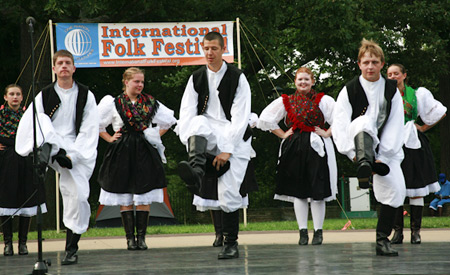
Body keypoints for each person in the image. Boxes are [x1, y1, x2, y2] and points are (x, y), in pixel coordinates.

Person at [15, 50, 99, 265]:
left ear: (73, 68)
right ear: (54, 69)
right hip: (52, 144)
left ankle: (71, 248)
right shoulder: (43, 94)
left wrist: (73, 155)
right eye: (60, 63)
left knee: (78, 195)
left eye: (67, 63)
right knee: (40, 118)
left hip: (76, 148)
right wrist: (50, 148)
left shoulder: (86, 94)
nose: (63, 66)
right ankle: (44, 155)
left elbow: (89, 129)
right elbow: (32, 123)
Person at [176, 31, 253, 259]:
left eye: (214, 49)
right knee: (198, 121)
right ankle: (197, 172)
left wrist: (227, 149)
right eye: (206, 48)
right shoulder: (196, 77)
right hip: (207, 132)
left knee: (228, 191)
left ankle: (231, 243)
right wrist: (188, 139)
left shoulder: (238, 77)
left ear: (223, 49)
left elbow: (240, 117)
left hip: (233, 135)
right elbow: (187, 114)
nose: (210, 53)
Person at [332, 39, 405, 256]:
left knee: (397, 191)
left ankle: (382, 240)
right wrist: (353, 154)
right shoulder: (349, 89)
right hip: (359, 145)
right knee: (362, 121)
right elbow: (340, 124)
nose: (370, 66)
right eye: (366, 62)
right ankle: (364, 163)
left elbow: (395, 123)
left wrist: (384, 156)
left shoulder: (391, 90)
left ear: (382, 64)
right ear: (359, 64)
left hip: (386, 151)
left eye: (374, 62)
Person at [97, 67, 176, 251]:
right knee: (125, 193)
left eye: (142, 81)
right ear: (126, 81)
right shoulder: (114, 103)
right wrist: (109, 138)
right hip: (122, 150)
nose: (140, 85)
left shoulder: (149, 102)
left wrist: (154, 135)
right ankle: (129, 239)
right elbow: (96, 124)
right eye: (136, 81)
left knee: (143, 193)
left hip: (144, 150)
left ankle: (141, 238)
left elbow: (169, 121)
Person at [257, 67, 337, 245]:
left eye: (307, 79)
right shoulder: (286, 101)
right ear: (295, 81)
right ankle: (302, 231)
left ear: (313, 81)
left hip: (317, 146)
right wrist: (283, 134)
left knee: (318, 191)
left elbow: (340, 118)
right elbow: (266, 118)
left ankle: (318, 231)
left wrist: (327, 133)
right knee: (298, 191)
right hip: (294, 146)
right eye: (300, 79)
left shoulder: (324, 100)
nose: (303, 82)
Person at [387, 63, 447, 244]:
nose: (392, 77)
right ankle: (398, 232)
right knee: (396, 188)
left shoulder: (418, 94)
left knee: (416, 188)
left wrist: (423, 127)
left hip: (413, 143)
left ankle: (415, 232)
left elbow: (440, 112)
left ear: (404, 75)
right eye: (389, 74)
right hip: (392, 143)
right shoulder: (383, 95)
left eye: (396, 73)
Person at [0, 84, 46, 256]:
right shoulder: (1, 116)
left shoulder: (29, 117)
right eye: (11, 94)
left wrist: (10, 141)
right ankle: (7, 243)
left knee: (26, 199)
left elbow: (32, 136)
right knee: (6, 200)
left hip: (26, 161)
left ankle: (23, 243)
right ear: (5, 97)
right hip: (5, 162)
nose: (15, 97)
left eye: (18, 94)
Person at [203, 114, 259, 247]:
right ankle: (218, 234)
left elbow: (252, 119)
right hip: (214, 150)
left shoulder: (241, 107)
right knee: (214, 194)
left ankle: (230, 238)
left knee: (231, 192)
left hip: (235, 152)